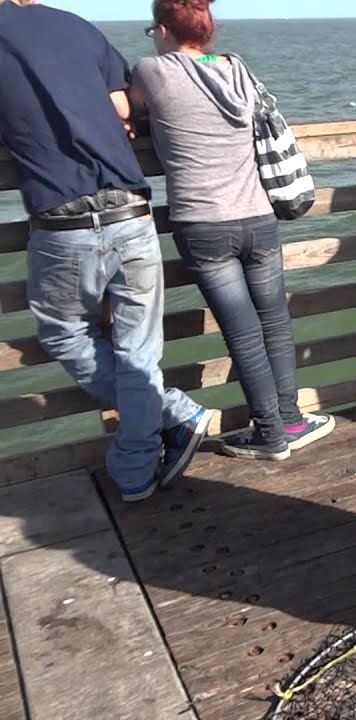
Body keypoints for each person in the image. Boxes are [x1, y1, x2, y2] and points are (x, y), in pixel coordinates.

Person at [0, 0, 209, 502]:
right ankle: (151, 443)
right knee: (138, 353)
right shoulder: (74, 24)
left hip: (62, 218)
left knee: (63, 332)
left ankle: (165, 426)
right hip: (131, 210)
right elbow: (121, 106)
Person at [128, 0, 335, 461]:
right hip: (259, 217)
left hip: (203, 224)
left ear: (163, 29)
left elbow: (130, 112)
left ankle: (268, 435)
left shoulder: (151, 72)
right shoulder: (237, 68)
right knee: (275, 322)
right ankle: (292, 419)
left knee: (243, 334)